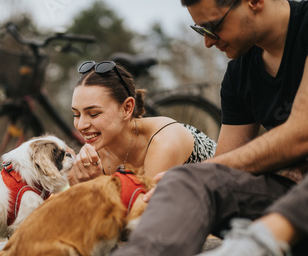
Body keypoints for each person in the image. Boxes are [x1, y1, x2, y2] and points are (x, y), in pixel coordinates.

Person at [0, 0, 308, 256]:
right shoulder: (239, 73)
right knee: (189, 178)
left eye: (213, 26)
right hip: (291, 195)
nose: (209, 42)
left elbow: (305, 134)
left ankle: (257, 250)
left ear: (254, 0)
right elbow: (221, 170)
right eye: (201, 31)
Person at [69, 60, 216, 185]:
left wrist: (98, 182)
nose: (81, 125)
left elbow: (146, 212)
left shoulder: (164, 142)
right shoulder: (97, 150)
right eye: (76, 114)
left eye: (94, 114)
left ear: (127, 108)